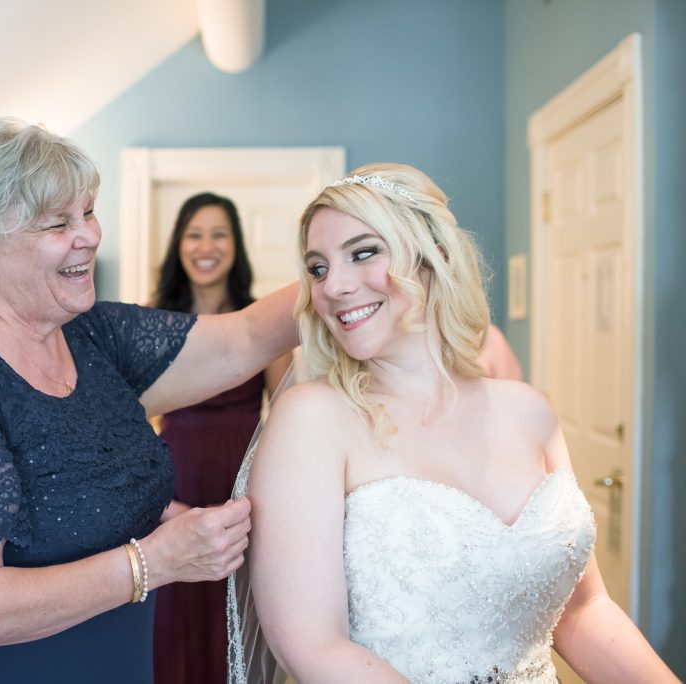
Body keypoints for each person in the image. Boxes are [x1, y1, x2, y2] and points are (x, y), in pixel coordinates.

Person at [0, 117, 299, 683]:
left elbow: (246, 338)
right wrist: (154, 562)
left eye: (87, 211)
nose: (89, 235)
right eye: (58, 223)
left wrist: (349, 270)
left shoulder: (88, 334)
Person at [229, 163, 677, 683]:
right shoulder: (313, 419)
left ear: (435, 255)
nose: (334, 287)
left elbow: (582, 613)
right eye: (318, 267)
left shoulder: (529, 412)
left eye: (363, 252)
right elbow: (313, 646)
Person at [150, 191, 290, 684]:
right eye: (194, 233)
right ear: (178, 245)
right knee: (174, 620)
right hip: (173, 490)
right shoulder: (151, 319)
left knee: (236, 620)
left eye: (218, 234)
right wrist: (158, 502)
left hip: (243, 490)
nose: (205, 246)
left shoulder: (260, 322)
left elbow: (289, 413)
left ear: (235, 246)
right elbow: (124, 422)